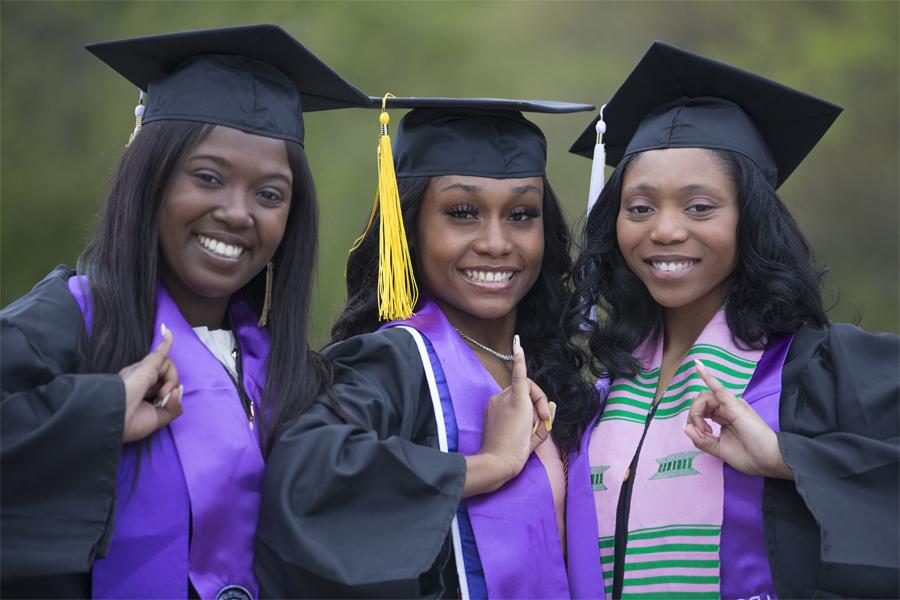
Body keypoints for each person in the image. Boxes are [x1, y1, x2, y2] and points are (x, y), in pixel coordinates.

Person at [0, 24, 370, 599]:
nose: (237, 213)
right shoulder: (60, 329)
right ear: (149, 179)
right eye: (207, 178)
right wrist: (95, 413)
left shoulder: (293, 379)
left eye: (270, 194)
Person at [567, 41, 900, 599]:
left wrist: (787, 459)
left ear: (752, 221)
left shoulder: (826, 368)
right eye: (640, 208)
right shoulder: (600, 389)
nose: (665, 230)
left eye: (700, 207)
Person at [255, 97, 604, 598]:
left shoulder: (555, 375)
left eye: (522, 214)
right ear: (409, 228)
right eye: (463, 213)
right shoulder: (391, 364)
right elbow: (309, 473)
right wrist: (489, 465)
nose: (497, 242)